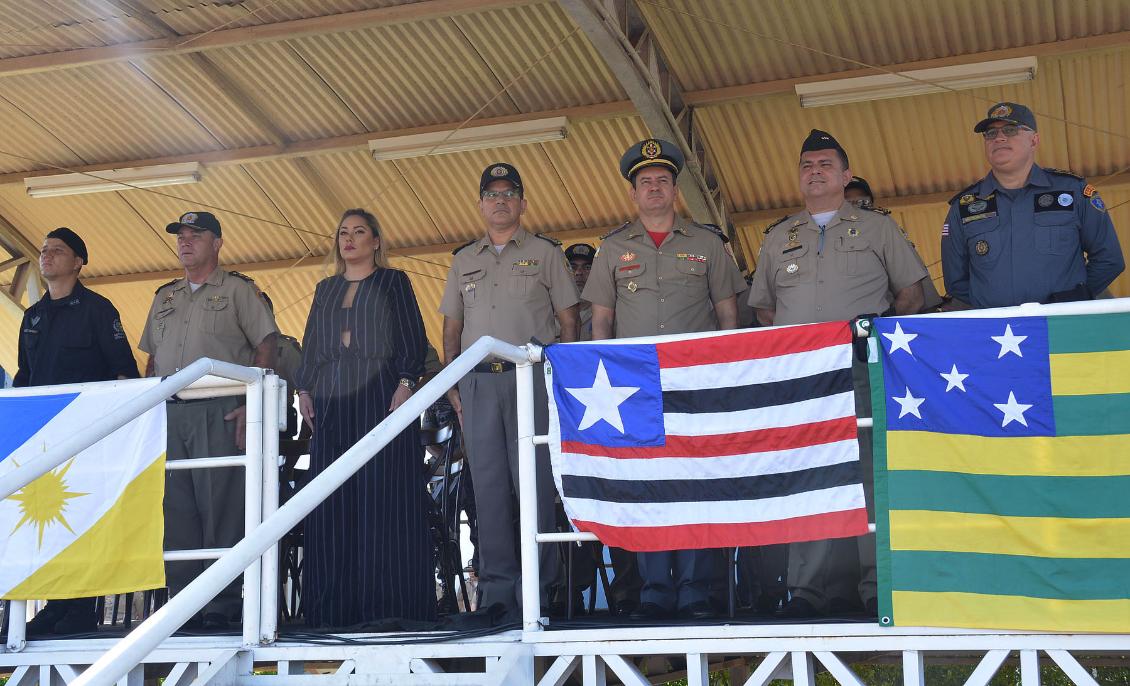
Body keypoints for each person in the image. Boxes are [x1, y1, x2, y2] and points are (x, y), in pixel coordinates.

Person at [748, 130, 926, 619]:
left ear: (846, 176)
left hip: (862, 363)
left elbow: (911, 294)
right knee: (810, 475)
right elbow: (764, 309)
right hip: (803, 371)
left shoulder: (877, 229)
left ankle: (874, 585)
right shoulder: (777, 237)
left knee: (870, 473)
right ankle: (808, 590)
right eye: (807, 165)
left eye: (826, 164)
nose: (816, 171)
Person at [583, 139, 742, 621]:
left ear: (675, 189)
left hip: (695, 379)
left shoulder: (707, 244)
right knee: (649, 483)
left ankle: (696, 588)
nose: (654, 189)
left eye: (662, 181)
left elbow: (728, 316)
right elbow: (601, 323)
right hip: (634, 385)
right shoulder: (612, 248)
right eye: (645, 182)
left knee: (694, 482)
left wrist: (724, 376)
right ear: (633, 193)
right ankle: (654, 587)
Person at [439, 162, 579, 621]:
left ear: (522, 203)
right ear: (480, 205)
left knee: (534, 485)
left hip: (531, 380)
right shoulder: (464, 260)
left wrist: (562, 381)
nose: (500, 201)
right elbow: (451, 329)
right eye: (491, 195)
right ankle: (498, 593)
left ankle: (544, 588)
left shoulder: (545, 253)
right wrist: (455, 385)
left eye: (508, 194)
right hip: (478, 382)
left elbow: (569, 322)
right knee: (489, 489)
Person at [294, 208, 435, 628]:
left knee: (384, 496)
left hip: (382, 392)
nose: (349, 239)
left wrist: (407, 381)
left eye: (359, 232)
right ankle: (334, 609)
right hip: (333, 398)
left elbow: (413, 336)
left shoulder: (395, 282)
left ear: (376, 241)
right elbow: (312, 344)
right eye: (343, 233)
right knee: (334, 498)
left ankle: (389, 606)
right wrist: (304, 389)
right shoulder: (324, 289)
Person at [139, 211, 278, 631]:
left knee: (220, 507)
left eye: (195, 235)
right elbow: (151, 360)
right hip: (170, 411)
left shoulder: (237, 290)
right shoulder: (164, 296)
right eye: (181, 236)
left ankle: (220, 601)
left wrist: (251, 404)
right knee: (175, 510)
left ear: (217, 243)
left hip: (219, 408)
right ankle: (182, 602)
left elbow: (267, 342)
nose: (185, 242)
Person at [14, 227, 138, 636]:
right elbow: (24, 379)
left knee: (81, 518)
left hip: (88, 437)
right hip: (43, 439)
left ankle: (80, 608)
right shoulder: (31, 316)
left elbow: (123, 372)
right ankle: (54, 604)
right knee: (45, 521)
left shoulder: (100, 311)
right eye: (44, 250)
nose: (46, 256)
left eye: (57, 251)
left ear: (78, 262)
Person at [941, 102, 1124, 308]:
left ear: (1034, 140)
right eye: (990, 133)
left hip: (1061, 327)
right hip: (1000, 334)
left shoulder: (1073, 192)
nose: (999, 137)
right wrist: (991, 306)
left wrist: (1075, 299)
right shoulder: (964, 206)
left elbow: (1109, 259)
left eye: (1010, 130)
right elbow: (955, 281)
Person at [844, 176, 943, 311]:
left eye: (862, 202)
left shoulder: (885, 230)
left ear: (871, 204)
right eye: (848, 203)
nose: (856, 208)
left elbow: (915, 295)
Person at [565, 243, 596, 341]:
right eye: (572, 267)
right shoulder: (549, 312)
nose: (578, 272)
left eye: (587, 267)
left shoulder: (607, 312)